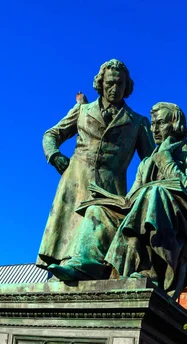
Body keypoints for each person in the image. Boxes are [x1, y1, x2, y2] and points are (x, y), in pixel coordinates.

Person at [49, 102, 187, 297]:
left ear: (176, 124)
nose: (154, 130)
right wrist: (109, 200)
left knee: (155, 194)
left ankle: (149, 272)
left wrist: (164, 156)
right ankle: (88, 264)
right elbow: (131, 200)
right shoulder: (146, 163)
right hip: (143, 212)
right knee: (98, 210)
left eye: (160, 123)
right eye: (152, 124)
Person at [37, 59, 154, 269]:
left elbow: (151, 163)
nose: (114, 89)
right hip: (76, 181)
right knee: (65, 246)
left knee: (98, 253)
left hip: (110, 189)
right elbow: (52, 134)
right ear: (101, 83)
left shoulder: (138, 122)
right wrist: (54, 155)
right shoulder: (82, 111)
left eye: (120, 84)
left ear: (127, 86)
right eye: (110, 83)